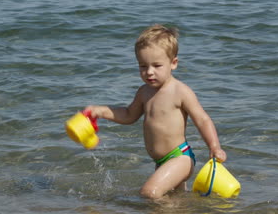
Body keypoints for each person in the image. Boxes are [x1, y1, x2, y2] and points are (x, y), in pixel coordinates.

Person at [85, 24, 227, 199]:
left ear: (173, 63)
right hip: (161, 162)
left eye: (157, 65)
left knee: (150, 193)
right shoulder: (144, 92)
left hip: (180, 157)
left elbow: (202, 120)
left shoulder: (180, 91)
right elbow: (129, 115)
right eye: (143, 66)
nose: (149, 72)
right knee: (175, 201)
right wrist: (101, 111)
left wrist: (214, 147)